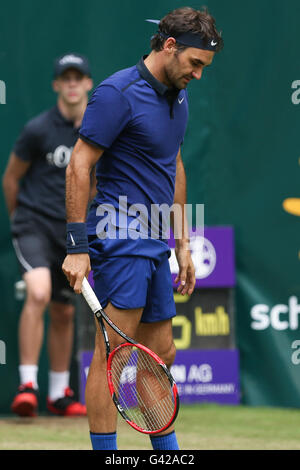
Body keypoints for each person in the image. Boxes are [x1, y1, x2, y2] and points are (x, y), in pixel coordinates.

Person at [62, 7, 223, 449]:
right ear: (169, 46)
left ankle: (167, 455)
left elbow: (173, 162)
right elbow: (79, 165)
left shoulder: (179, 94)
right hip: (119, 233)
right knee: (113, 353)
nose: (198, 75)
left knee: (161, 353)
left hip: (154, 238)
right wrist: (77, 246)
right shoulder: (117, 93)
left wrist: (183, 243)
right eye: (195, 64)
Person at [2, 53, 94, 417]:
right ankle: (27, 385)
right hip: (34, 225)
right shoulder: (37, 129)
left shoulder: (96, 131)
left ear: (88, 83)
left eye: (78, 78)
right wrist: (20, 221)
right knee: (38, 291)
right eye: (65, 78)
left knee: (64, 311)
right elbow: (11, 178)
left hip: (71, 231)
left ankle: (59, 394)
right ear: (57, 85)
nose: (72, 84)